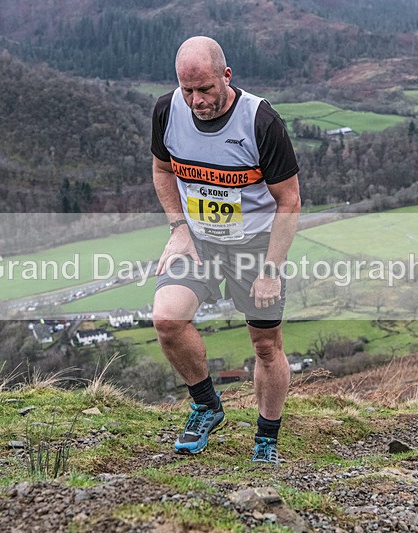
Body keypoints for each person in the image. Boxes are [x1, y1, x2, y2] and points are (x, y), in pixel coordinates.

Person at [150, 36, 300, 464]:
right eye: (187, 90)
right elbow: (162, 170)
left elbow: (289, 202)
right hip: (198, 239)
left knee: (266, 345)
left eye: (205, 89)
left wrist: (271, 268)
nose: (196, 100)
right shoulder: (167, 110)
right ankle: (206, 405)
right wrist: (178, 227)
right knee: (167, 318)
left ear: (226, 76)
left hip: (254, 245)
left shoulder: (261, 121)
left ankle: (266, 438)